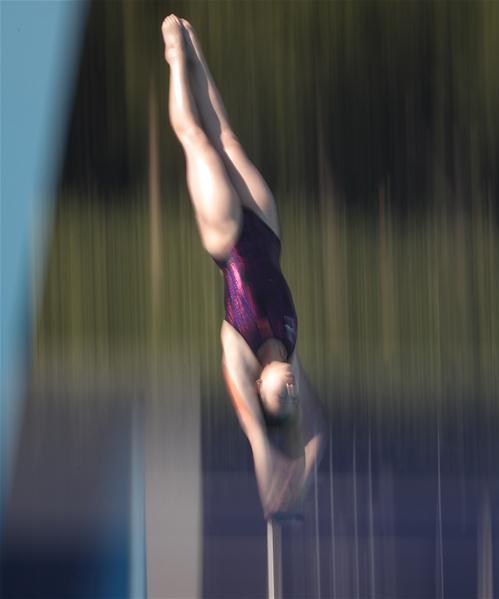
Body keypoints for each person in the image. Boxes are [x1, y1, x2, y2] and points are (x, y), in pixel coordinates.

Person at [161, 14, 326, 520]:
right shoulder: (290, 354)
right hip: (267, 228)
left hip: (228, 235)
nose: (291, 390)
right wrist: (305, 473)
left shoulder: (239, 353)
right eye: (293, 397)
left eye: (282, 398)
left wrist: (267, 458)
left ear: (261, 390)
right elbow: (317, 428)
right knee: (227, 137)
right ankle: (195, 47)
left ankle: (173, 57)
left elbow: (257, 432)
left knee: (195, 138)